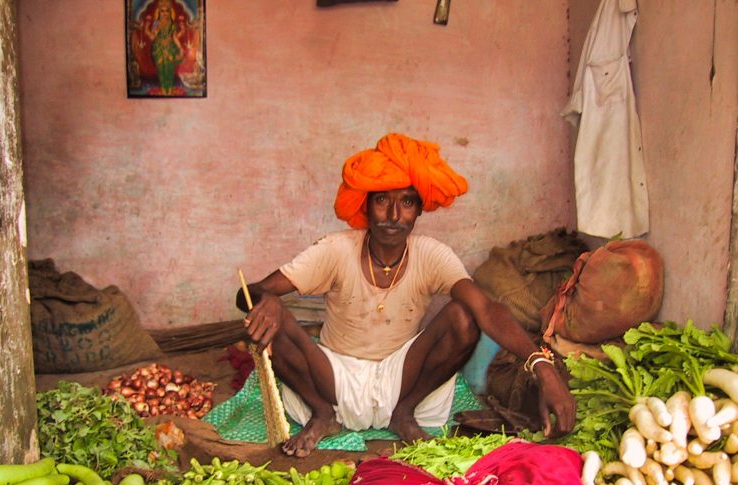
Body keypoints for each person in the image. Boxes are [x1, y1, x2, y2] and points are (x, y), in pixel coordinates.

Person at [237, 133, 576, 457]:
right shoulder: (336, 249)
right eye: (383, 201)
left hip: (402, 377)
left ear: (419, 210)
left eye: (407, 202)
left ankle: (404, 413)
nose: (394, 215)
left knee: (464, 315)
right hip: (331, 376)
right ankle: (323, 415)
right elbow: (248, 293)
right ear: (367, 206)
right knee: (273, 317)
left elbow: (486, 309)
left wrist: (542, 367)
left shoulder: (432, 254)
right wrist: (265, 299)